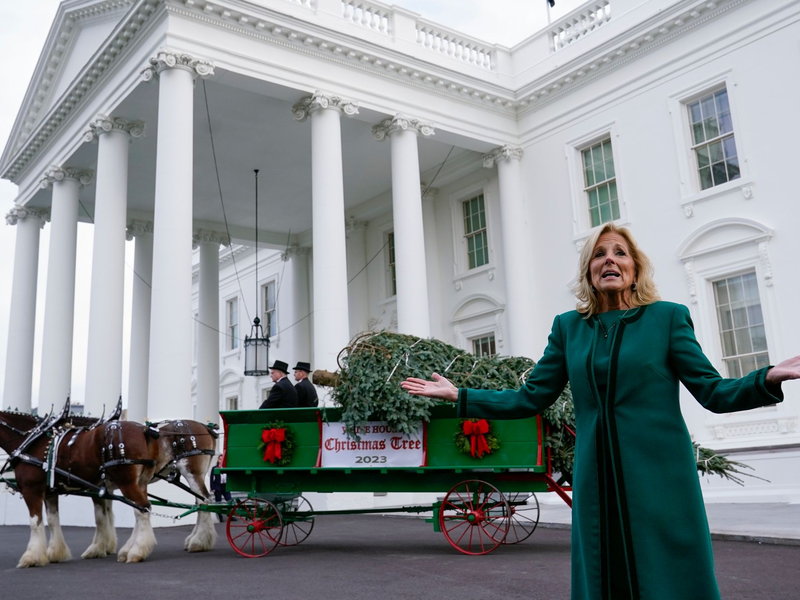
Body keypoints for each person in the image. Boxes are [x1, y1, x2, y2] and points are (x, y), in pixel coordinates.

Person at [402, 222, 800, 600]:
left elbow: (713, 391)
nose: (609, 259)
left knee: (668, 569)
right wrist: (460, 396)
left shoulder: (668, 318)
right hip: (596, 478)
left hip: (660, 476)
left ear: (635, 269)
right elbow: (530, 397)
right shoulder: (568, 328)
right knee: (602, 567)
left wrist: (766, 378)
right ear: (589, 272)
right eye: (599, 254)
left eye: (620, 253)